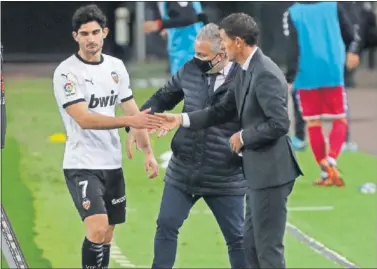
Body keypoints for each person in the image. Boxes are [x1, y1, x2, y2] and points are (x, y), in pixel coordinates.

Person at [155, 13, 303, 269]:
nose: (221, 46)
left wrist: (243, 136)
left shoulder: (265, 72)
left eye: (223, 40)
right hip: (256, 172)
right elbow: (220, 111)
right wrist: (180, 120)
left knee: (267, 250)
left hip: (272, 173)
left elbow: (280, 124)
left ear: (237, 41)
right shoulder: (246, 69)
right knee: (251, 246)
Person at [128, 23, 248, 269]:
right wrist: (136, 123)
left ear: (222, 53)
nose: (196, 59)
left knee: (237, 239)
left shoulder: (245, 78)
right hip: (183, 170)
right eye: (195, 53)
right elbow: (163, 96)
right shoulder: (190, 70)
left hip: (224, 175)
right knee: (166, 226)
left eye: (203, 55)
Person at [52, 5, 162, 269]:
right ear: (75, 36)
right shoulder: (66, 73)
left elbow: (132, 109)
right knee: (98, 228)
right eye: (84, 33)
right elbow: (84, 119)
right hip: (82, 164)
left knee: (108, 233)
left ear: (105, 33)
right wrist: (128, 122)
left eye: (95, 32)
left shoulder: (116, 67)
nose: (91, 39)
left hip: (112, 164)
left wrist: (148, 152)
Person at [283, 1, 363, 186]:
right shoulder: (333, 6)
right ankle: (331, 160)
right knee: (340, 119)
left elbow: (292, 47)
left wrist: (289, 76)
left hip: (306, 74)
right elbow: (351, 35)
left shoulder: (292, 13)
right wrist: (353, 52)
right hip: (332, 70)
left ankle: (325, 171)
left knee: (313, 122)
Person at [144, 1, 207, 75]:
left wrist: (160, 24)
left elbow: (190, 18)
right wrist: (167, 29)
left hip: (187, 49)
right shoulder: (165, 3)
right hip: (181, 49)